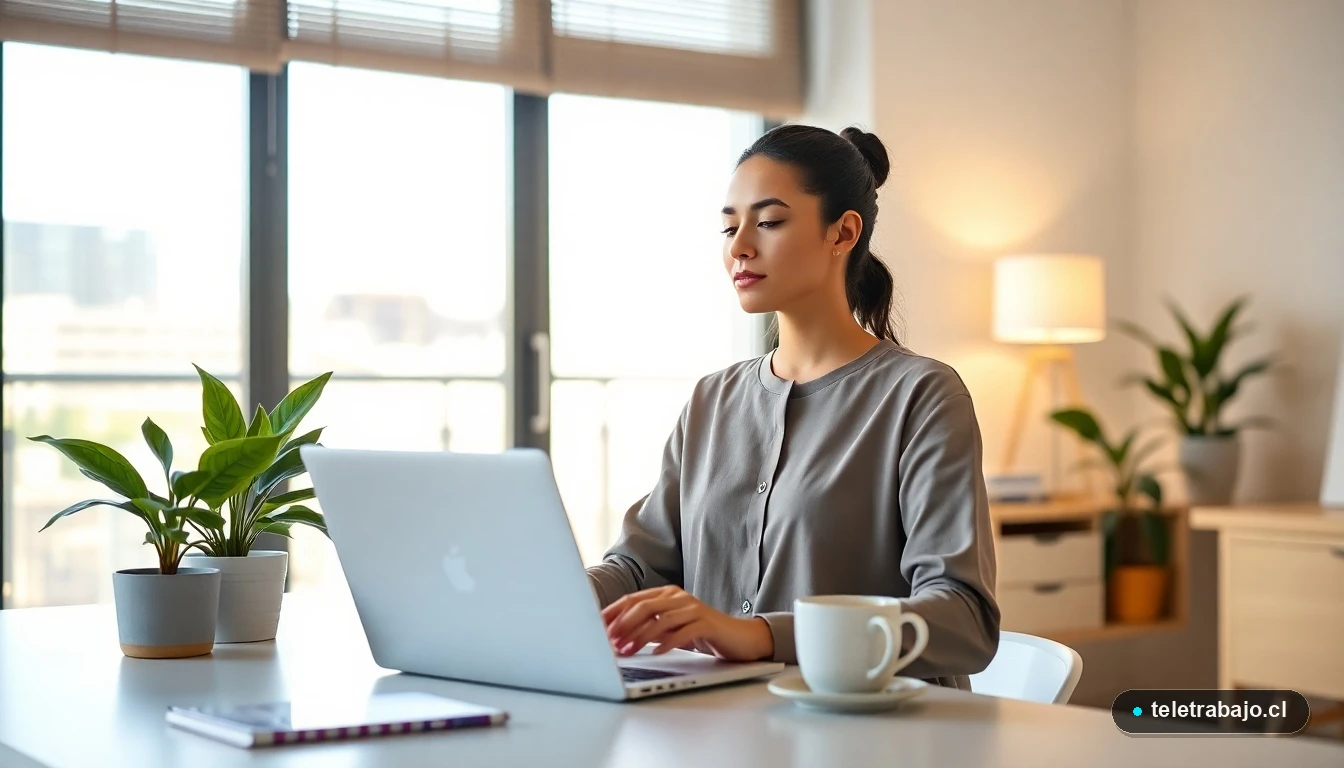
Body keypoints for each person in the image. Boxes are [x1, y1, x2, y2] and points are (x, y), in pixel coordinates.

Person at [585, 123, 999, 690]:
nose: (739, 246)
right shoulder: (712, 400)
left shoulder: (922, 396)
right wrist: (559, 592)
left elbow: (963, 619)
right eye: (729, 226)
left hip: (877, 736)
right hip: (725, 726)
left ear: (842, 232)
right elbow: (640, 565)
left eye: (770, 221)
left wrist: (758, 635)